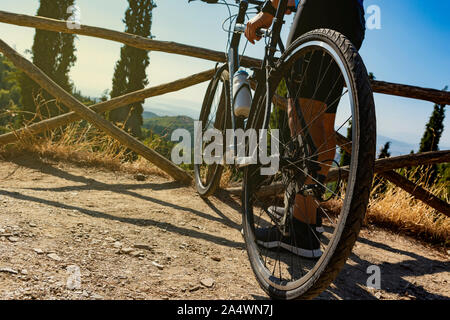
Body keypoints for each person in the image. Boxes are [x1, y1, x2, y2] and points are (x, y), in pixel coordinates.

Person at [245, 0, 366, 258]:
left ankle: (298, 229)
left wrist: (267, 11)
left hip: (318, 10)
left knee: (299, 113)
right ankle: (307, 215)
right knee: (322, 121)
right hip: (352, 16)